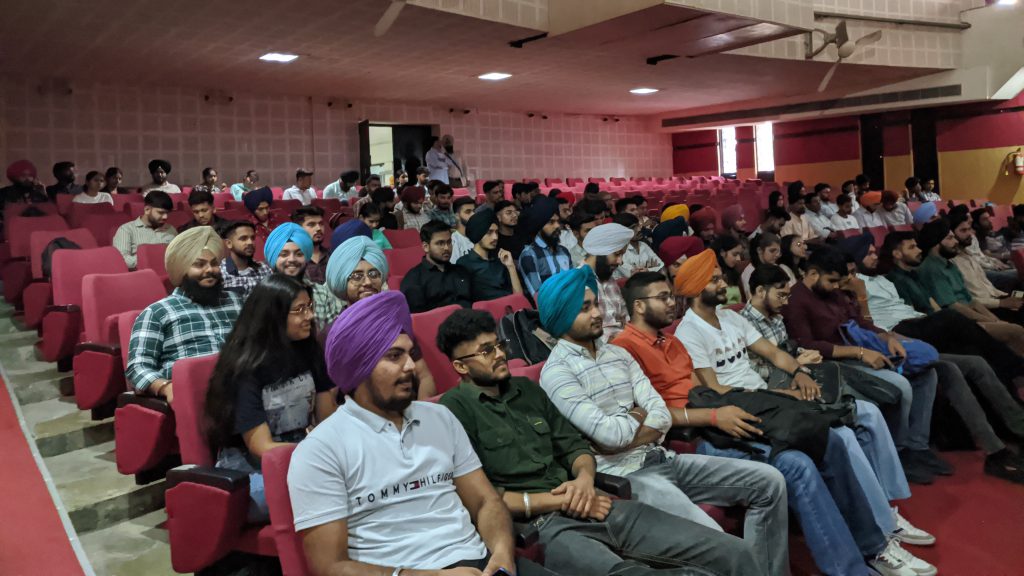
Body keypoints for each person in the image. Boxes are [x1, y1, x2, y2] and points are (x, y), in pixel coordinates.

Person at [636, 263, 932, 576]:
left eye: (722, 278)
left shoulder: (716, 323)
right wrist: (770, 397)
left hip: (758, 400)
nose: (724, 284)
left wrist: (799, 372)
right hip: (733, 412)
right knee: (816, 449)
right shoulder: (682, 334)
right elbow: (709, 394)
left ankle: (877, 536)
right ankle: (863, 553)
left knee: (843, 428)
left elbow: (771, 356)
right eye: (715, 280)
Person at [438, 309, 764, 576]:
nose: (499, 355)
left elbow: (575, 448)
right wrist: (563, 501)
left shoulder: (527, 390)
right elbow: (484, 499)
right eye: (486, 351)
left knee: (733, 552)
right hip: (543, 525)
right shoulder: (453, 411)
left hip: (595, 501)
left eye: (499, 345)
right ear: (460, 366)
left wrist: (583, 480)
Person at [535, 266, 790, 576]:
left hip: (661, 456)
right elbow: (612, 437)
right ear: (562, 317)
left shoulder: (617, 354)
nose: (597, 313)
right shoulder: (557, 373)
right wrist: (639, 416)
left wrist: (634, 423)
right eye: (584, 308)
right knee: (720, 544)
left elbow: (657, 412)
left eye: (595, 304)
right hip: (625, 475)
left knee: (770, 482)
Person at [289, 291, 554, 576]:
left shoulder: (440, 417)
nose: (410, 366)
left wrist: (501, 554)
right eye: (394, 356)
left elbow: (485, 501)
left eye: (409, 353)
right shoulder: (320, 450)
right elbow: (331, 566)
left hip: (480, 564)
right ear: (359, 367)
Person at [842, 236, 1024, 484]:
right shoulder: (851, 288)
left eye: (875, 251)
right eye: (869, 253)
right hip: (896, 335)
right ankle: (1017, 371)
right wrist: (862, 298)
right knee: (951, 318)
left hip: (914, 326)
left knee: (974, 360)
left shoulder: (882, 280)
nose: (875, 256)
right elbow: (866, 327)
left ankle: (1012, 431)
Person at [780, 248, 947, 482]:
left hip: (860, 351)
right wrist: (859, 353)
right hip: (834, 363)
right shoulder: (796, 300)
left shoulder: (832, 293)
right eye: (832, 281)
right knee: (900, 385)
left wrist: (886, 337)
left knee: (927, 374)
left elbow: (858, 322)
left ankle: (917, 446)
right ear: (813, 273)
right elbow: (806, 345)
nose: (836, 287)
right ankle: (899, 453)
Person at [205, 274, 337, 521]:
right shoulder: (246, 369)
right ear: (274, 317)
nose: (309, 316)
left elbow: (328, 419)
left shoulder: (309, 351)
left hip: (300, 450)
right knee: (314, 493)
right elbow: (261, 447)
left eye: (309, 307)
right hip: (252, 465)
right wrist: (320, 455)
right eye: (299, 310)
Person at [126, 227, 243, 402]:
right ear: (181, 269)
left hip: (244, 387)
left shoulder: (235, 301)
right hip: (195, 395)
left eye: (214, 263)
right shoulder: (158, 312)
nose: (210, 270)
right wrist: (165, 387)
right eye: (199, 264)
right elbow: (137, 367)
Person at [324, 236, 438, 399]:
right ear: (343, 282)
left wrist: (421, 410)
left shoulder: (396, 324)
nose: (368, 282)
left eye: (373, 274)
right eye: (357, 276)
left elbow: (424, 377)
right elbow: (331, 396)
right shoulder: (334, 334)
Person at [882, 230, 1024, 356]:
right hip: (936, 330)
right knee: (1013, 331)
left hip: (949, 322)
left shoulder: (913, 274)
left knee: (1011, 329)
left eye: (917, 246)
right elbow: (914, 319)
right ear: (897, 254)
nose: (919, 250)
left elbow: (937, 305)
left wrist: (993, 321)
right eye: (912, 247)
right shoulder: (896, 281)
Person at [264, 223, 344, 331]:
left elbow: (333, 333)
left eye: (299, 254)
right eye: (284, 254)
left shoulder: (322, 293)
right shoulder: (262, 295)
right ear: (273, 258)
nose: (292, 259)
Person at [400, 220, 473, 313]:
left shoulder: (462, 271)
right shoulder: (415, 278)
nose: (446, 248)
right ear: (426, 247)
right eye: (440, 243)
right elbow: (418, 317)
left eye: (449, 242)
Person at [579, 223, 634, 343]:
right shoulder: (579, 283)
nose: (620, 261)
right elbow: (585, 333)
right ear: (600, 252)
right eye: (617, 254)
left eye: (622, 255)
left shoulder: (609, 278)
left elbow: (625, 319)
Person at [457, 211, 523, 302]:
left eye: (496, 232)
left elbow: (519, 298)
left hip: (512, 307)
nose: (495, 237)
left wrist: (511, 267)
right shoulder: (464, 263)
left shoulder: (501, 259)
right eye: (489, 232)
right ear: (478, 234)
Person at [949, 210, 1020, 294]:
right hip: (989, 272)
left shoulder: (968, 252)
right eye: (963, 230)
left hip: (993, 288)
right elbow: (975, 293)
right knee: (1016, 278)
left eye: (969, 229)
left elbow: (981, 256)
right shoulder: (955, 260)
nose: (969, 233)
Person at [518, 197, 572, 299]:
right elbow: (538, 296)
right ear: (539, 226)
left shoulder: (564, 251)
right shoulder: (529, 255)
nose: (557, 226)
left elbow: (573, 285)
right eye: (551, 222)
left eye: (558, 221)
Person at [112, 190, 177, 269]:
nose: (165, 217)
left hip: (170, 273)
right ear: (147, 210)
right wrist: (153, 259)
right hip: (141, 274)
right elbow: (121, 260)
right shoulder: (126, 230)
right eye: (161, 212)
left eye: (167, 213)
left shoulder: (171, 229)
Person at [218, 220, 273, 298]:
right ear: (229, 243)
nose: (250, 242)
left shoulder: (264, 269)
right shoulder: (220, 273)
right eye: (243, 238)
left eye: (252, 238)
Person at [610, 213, 662, 280]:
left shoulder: (643, 245)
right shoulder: (618, 251)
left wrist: (648, 270)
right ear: (622, 231)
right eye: (633, 227)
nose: (639, 229)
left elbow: (661, 266)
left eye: (638, 225)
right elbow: (634, 276)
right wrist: (651, 269)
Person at [740, 232, 781, 297]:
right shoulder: (749, 273)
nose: (777, 255)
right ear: (759, 250)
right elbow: (753, 299)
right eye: (772, 251)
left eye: (778, 251)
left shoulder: (776, 267)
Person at [710, 235, 745, 304]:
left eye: (740, 255)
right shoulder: (711, 274)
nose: (738, 259)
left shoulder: (735, 273)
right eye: (734, 254)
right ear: (722, 252)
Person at [450, 196, 476, 263]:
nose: (473, 214)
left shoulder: (481, 236)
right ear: (457, 216)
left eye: (474, 211)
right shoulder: (453, 240)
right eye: (468, 212)